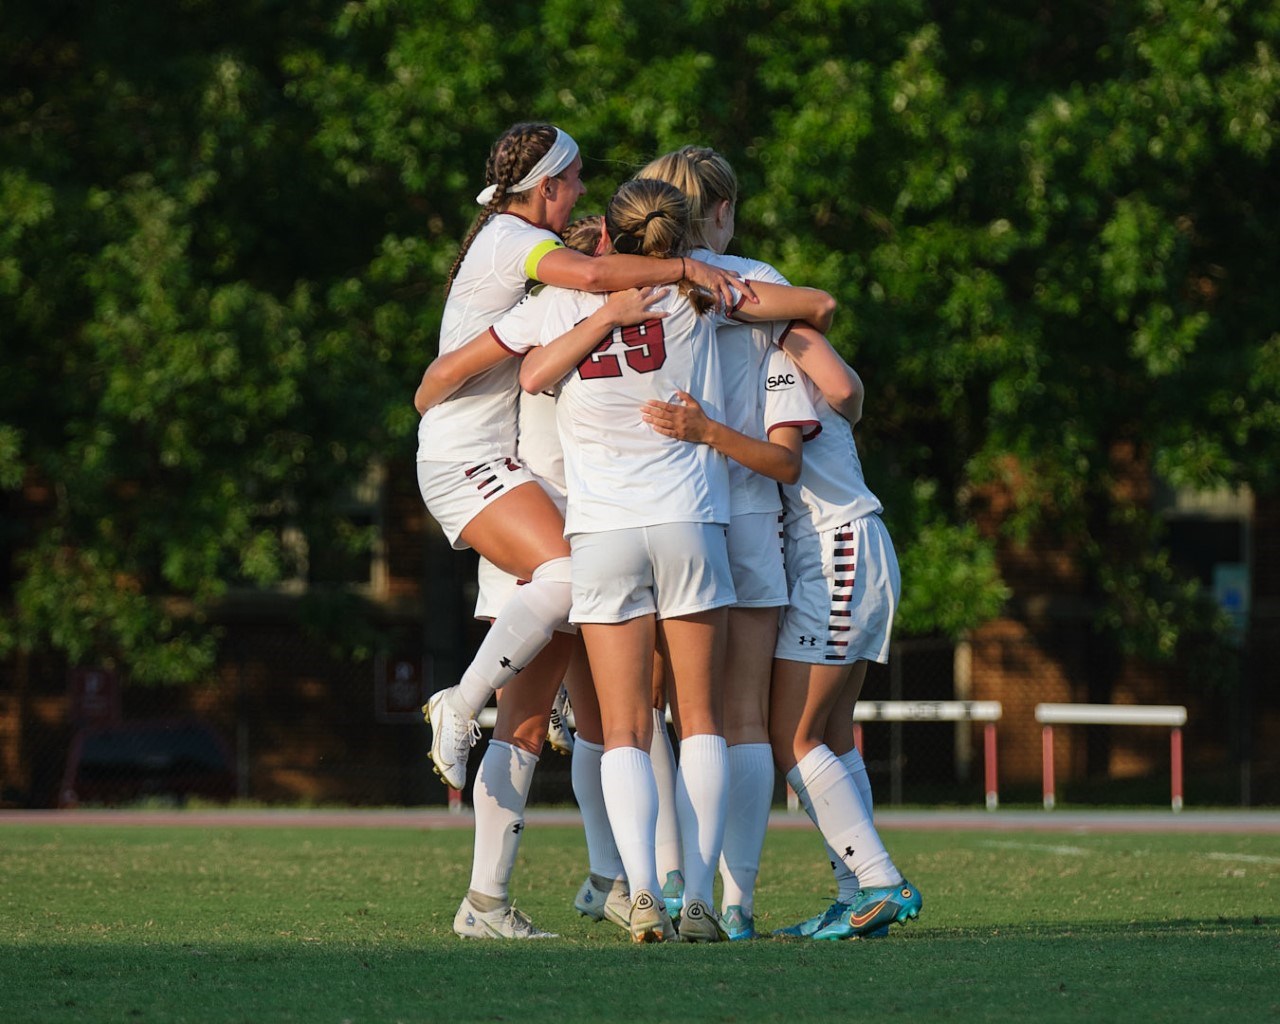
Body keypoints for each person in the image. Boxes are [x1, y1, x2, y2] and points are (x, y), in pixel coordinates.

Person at [512, 176, 835, 942]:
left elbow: (530, 374)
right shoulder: (705, 294)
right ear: (685, 236)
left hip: (604, 533)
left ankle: (646, 893)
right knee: (703, 721)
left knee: (623, 726)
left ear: (608, 245)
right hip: (692, 521)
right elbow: (814, 307)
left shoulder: (567, 301)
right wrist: (699, 270)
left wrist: (607, 308)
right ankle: (700, 896)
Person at [416, 121, 750, 803]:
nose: (581, 197)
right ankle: (461, 700)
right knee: (571, 577)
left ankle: (507, 901)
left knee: (550, 719)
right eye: (573, 184)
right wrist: (687, 266)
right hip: (476, 464)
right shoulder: (523, 244)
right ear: (548, 187)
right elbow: (595, 276)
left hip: (510, 473)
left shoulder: (522, 265)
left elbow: (438, 381)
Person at [636, 146, 852, 939]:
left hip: (663, 507)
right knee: (742, 716)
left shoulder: (639, 275)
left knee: (658, 705)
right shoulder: (751, 279)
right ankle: (737, 902)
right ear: (722, 210)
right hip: (753, 507)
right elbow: (821, 312)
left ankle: (661, 879)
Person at [766, 338, 924, 941]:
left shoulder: (776, 357)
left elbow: (789, 456)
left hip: (837, 549)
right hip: (845, 548)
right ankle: (858, 896)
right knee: (832, 735)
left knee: (792, 737)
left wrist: (705, 431)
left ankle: (880, 881)